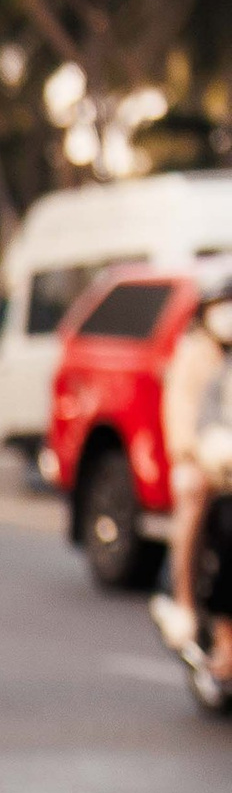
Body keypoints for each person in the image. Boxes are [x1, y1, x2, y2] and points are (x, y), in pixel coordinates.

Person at [153, 271, 232, 658]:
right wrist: (199, 452)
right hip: (203, 464)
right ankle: (183, 600)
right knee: (192, 490)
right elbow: (180, 418)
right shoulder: (192, 354)